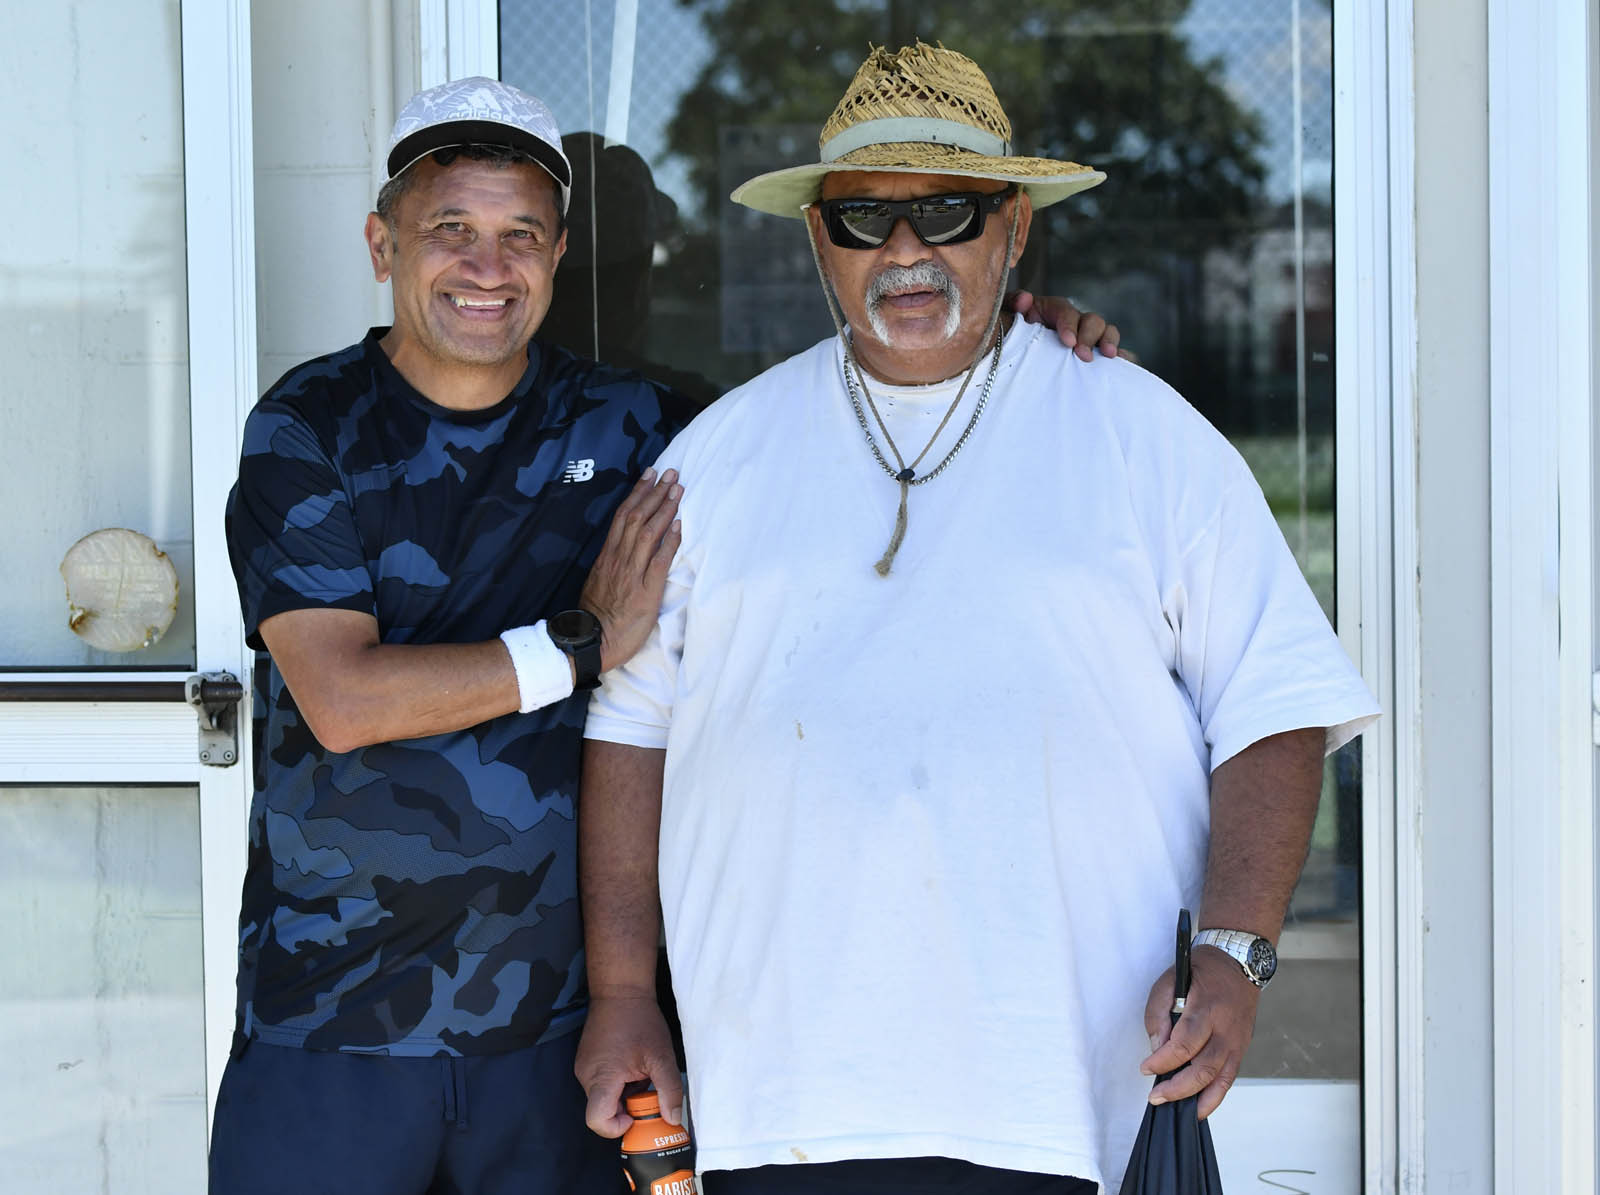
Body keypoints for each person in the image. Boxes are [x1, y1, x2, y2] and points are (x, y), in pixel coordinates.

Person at [212, 72, 1120, 1194]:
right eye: (450, 230)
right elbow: (344, 699)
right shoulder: (307, 425)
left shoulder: (640, 427)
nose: (487, 267)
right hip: (329, 1022)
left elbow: (861, 407)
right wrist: (583, 642)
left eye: (520, 235)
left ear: (559, 255)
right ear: (380, 243)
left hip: (558, 1033)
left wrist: (1017, 339)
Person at [574, 41, 1380, 1195]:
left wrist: (1235, 949)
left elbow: (1273, 704)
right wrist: (620, 993)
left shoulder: (1139, 432)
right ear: (816, 240)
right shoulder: (713, 460)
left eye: (947, 210)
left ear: (1013, 226)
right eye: (862, 219)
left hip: (1072, 1097)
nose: (904, 248)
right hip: (781, 1097)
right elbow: (630, 729)